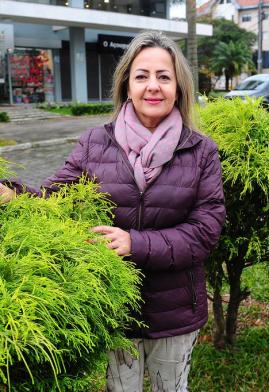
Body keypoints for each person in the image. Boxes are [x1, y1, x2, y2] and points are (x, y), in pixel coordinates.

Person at [0, 31, 225, 392]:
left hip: (176, 310)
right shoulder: (94, 143)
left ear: (179, 87)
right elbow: (54, 197)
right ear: (126, 84)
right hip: (116, 310)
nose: (153, 86)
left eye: (163, 77)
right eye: (142, 76)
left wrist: (134, 243)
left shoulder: (201, 151)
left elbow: (205, 231)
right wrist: (13, 194)